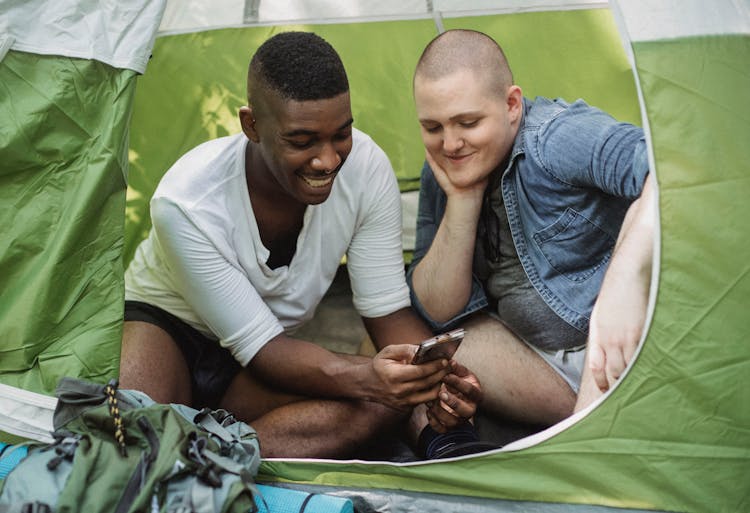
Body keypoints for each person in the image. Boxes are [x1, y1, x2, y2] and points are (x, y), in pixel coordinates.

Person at [119, 31, 482, 459]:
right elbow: (261, 348)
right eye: (301, 141)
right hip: (170, 330)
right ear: (251, 125)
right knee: (131, 432)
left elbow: (385, 310)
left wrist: (437, 380)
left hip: (261, 360)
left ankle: (206, 455)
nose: (328, 160)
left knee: (383, 402)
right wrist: (372, 376)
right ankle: (208, 452)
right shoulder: (186, 202)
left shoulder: (366, 168)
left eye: (341, 134)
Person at [407, 29, 655, 432]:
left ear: (511, 104)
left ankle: (586, 440)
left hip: (621, 343)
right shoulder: (447, 167)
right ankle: (587, 426)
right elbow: (439, 308)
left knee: (641, 236)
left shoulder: (555, 137)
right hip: (542, 363)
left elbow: (669, 167)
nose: (450, 143)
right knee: (403, 348)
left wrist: (623, 284)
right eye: (433, 128)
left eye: (467, 122)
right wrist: (463, 199)